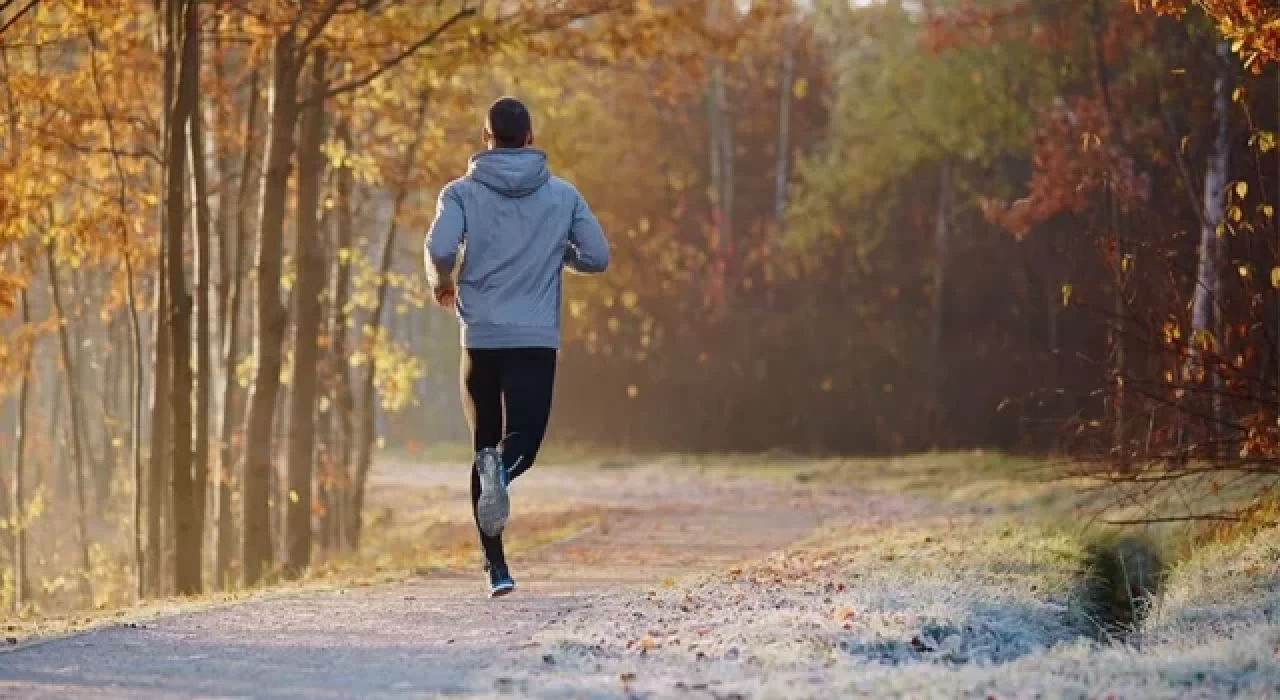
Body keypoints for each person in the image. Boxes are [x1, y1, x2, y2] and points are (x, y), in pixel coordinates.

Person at [424, 96, 610, 598]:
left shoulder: (459, 193)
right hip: (533, 338)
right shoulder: (563, 195)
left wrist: (444, 281)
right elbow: (597, 256)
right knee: (521, 442)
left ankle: (496, 567)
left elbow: (441, 248)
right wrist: (558, 252)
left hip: (480, 337)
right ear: (530, 138)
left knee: (483, 441)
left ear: (487, 140)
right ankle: (502, 472)